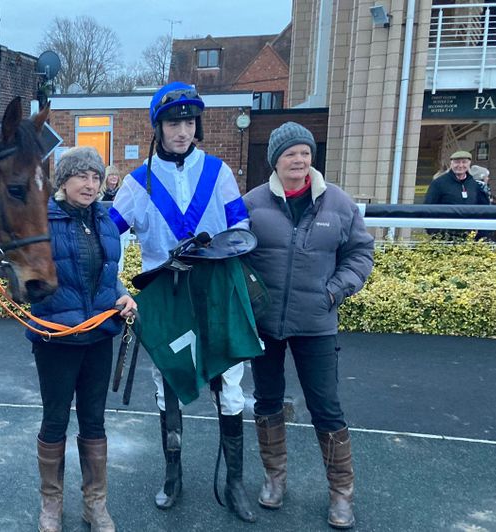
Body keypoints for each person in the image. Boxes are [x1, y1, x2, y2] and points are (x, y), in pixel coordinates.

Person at [0, 146, 137, 532]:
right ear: (63, 180)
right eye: (82, 176)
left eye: (96, 177)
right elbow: (19, 271)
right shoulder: (42, 219)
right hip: (55, 339)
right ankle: (51, 506)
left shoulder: (106, 221)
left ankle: (96, 505)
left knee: (94, 421)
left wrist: (122, 294)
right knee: (55, 420)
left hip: (99, 336)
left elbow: (106, 275)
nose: (90, 184)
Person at [108, 81, 256, 522]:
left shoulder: (219, 171)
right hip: (166, 293)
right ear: (159, 127)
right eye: (173, 122)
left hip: (215, 290)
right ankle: (173, 476)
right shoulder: (137, 183)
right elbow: (106, 234)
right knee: (168, 382)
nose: (182, 130)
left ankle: (234, 483)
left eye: (189, 121)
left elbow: (242, 227)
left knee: (230, 383)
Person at [243, 122, 374, 529]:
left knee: (326, 408)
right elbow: (235, 255)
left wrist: (334, 291)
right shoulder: (251, 203)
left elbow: (360, 254)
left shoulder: (338, 203)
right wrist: (249, 295)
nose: (298, 161)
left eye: (304, 153)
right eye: (289, 155)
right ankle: (274, 480)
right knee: (267, 402)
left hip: (316, 323)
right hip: (265, 324)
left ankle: (340, 495)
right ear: (275, 161)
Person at [424, 151, 490, 238]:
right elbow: (428, 207)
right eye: (457, 162)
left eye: (464, 162)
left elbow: (483, 210)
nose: (460, 165)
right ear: (451, 163)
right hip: (444, 236)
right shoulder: (438, 183)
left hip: (469, 237)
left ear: (469, 164)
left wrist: (480, 236)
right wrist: (434, 233)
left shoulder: (475, 185)